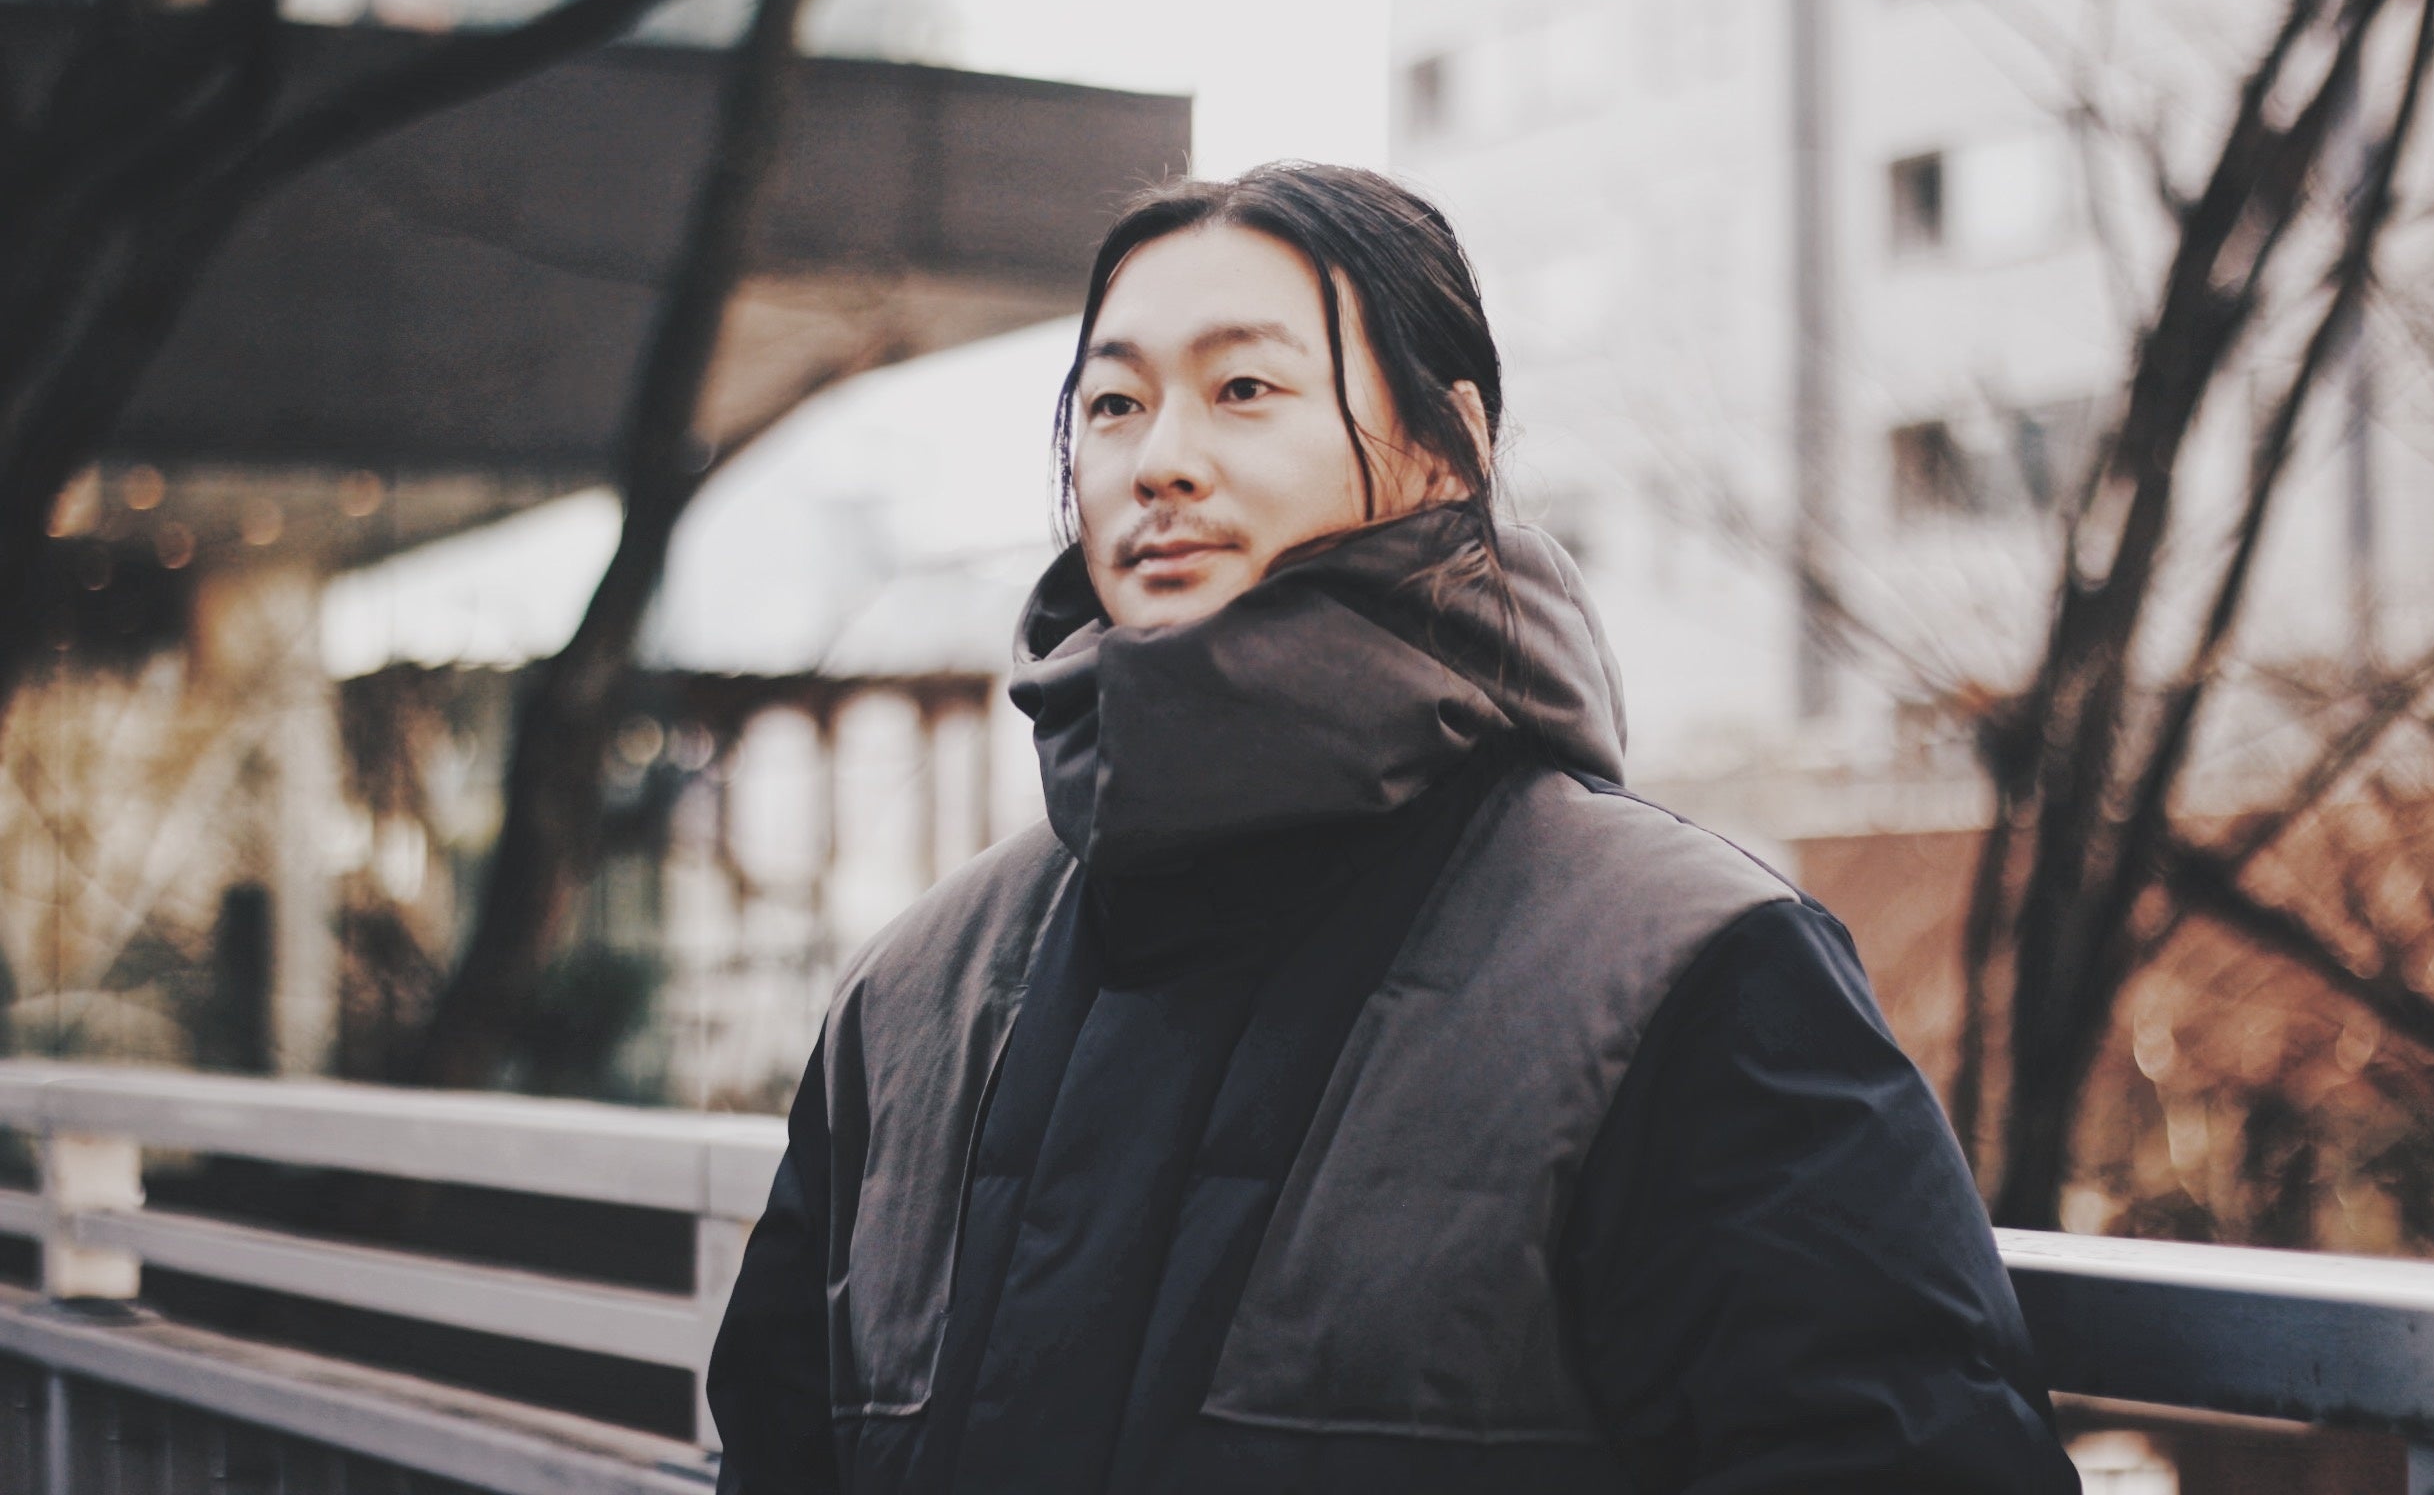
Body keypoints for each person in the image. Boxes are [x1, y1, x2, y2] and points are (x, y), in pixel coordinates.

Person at [706, 162, 2079, 1494]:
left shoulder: (1686, 972)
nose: (1161, 461)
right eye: (1115, 404)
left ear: (1447, 451)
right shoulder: (914, 998)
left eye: (1244, 391)